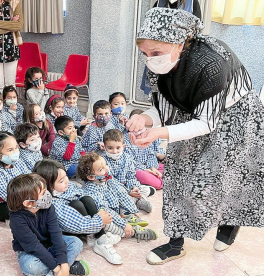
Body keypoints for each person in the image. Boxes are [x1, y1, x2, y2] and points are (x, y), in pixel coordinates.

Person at [127, 8, 264, 264]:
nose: (150, 60)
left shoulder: (211, 64)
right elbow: (164, 107)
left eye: (155, 53)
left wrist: (158, 132)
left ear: (180, 44)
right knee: (177, 173)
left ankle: (229, 223)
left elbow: (205, 122)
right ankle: (175, 242)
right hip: (195, 111)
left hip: (235, 114)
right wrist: (146, 118)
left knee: (222, 175)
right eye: (144, 54)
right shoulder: (158, 64)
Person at [33, 160, 124, 265]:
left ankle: (96, 236)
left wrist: (99, 212)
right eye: (61, 181)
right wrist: (98, 220)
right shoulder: (53, 204)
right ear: (49, 186)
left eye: (66, 176)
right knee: (76, 204)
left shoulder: (68, 187)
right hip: (70, 228)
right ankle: (98, 238)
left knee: (87, 199)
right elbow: (75, 223)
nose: (67, 181)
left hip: (84, 223)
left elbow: (83, 195)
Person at [7, 173, 89, 276]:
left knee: (76, 243)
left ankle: (63, 268)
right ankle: (66, 267)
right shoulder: (16, 219)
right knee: (32, 267)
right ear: (28, 203)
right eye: (43, 193)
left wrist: (63, 264)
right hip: (30, 251)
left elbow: (56, 233)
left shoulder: (48, 207)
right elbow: (34, 246)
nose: (47, 194)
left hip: (49, 243)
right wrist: (55, 268)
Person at [77, 152, 158, 243]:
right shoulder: (91, 191)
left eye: (106, 165)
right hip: (108, 214)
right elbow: (107, 211)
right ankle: (133, 232)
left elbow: (121, 192)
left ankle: (132, 208)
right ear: (91, 177)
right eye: (101, 169)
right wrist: (124, 225)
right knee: (107, 225)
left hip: (116, 206)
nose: (107, 169)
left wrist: (133, 209)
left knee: (126, 193)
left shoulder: (106, 178)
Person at [102, 129, 153, 213]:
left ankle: (136, 199)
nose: (114, 151)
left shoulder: (127, 158)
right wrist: (128, 192)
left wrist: (134, 187)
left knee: (142, 189)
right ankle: (134, 203)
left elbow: (130, 176)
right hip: (111, 187)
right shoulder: (102, 160)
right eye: (110, 148)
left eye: (118, 148)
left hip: (126, 185)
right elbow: (110, 181)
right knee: (110, 197)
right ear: (104, 147)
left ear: (123, 146)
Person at [128, 109, 164, 190]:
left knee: (167, 167)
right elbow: (130, 162)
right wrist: (146, 169)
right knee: (141, 174)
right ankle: (159, 182)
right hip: (136, 169)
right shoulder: (126, 139)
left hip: (148, 167)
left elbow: (151, 155)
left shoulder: (147, 136)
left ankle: (158, 177)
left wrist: (153, 168)